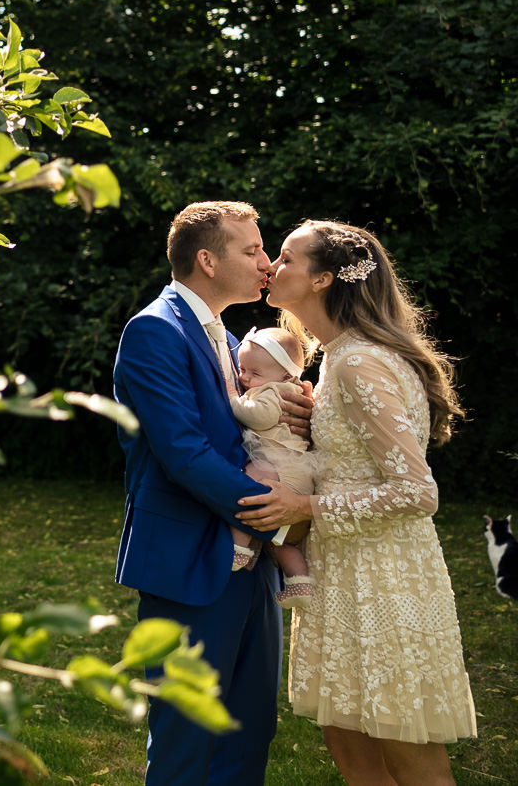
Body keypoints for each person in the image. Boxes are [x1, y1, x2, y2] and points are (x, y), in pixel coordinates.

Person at [238, 221, 477, 786]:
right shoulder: (335, 360)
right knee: (353, 752)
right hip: (341, 572)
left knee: (407, 755)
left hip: (386, 578)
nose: (273, 265)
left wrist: (305, 509)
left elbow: (419, 492)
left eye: (288, 258)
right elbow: (350, 454)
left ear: (322, 278)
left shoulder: (357, 361)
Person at [113, 201, 313, 786]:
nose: (266, 262)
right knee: (186, 741)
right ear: (206, 259)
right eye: (251, 250)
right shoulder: (154, 330)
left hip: (254, 572)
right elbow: (184, 454)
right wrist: (279, 521)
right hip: (189, 562)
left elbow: (247, 427)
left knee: (250, 733)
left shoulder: (227, 335)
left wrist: (296, 417)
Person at [227, 326, 317, 609]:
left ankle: (240, 548)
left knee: (250, 488)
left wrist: (234, 399)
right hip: (299, 472)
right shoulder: (285, 386)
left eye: (254, 373)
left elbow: (261, 417)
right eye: (242, 369)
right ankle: (299, 581)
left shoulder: (272, 391)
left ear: (286, 374)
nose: (244, 377)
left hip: (278, 468)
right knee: (283, 541)